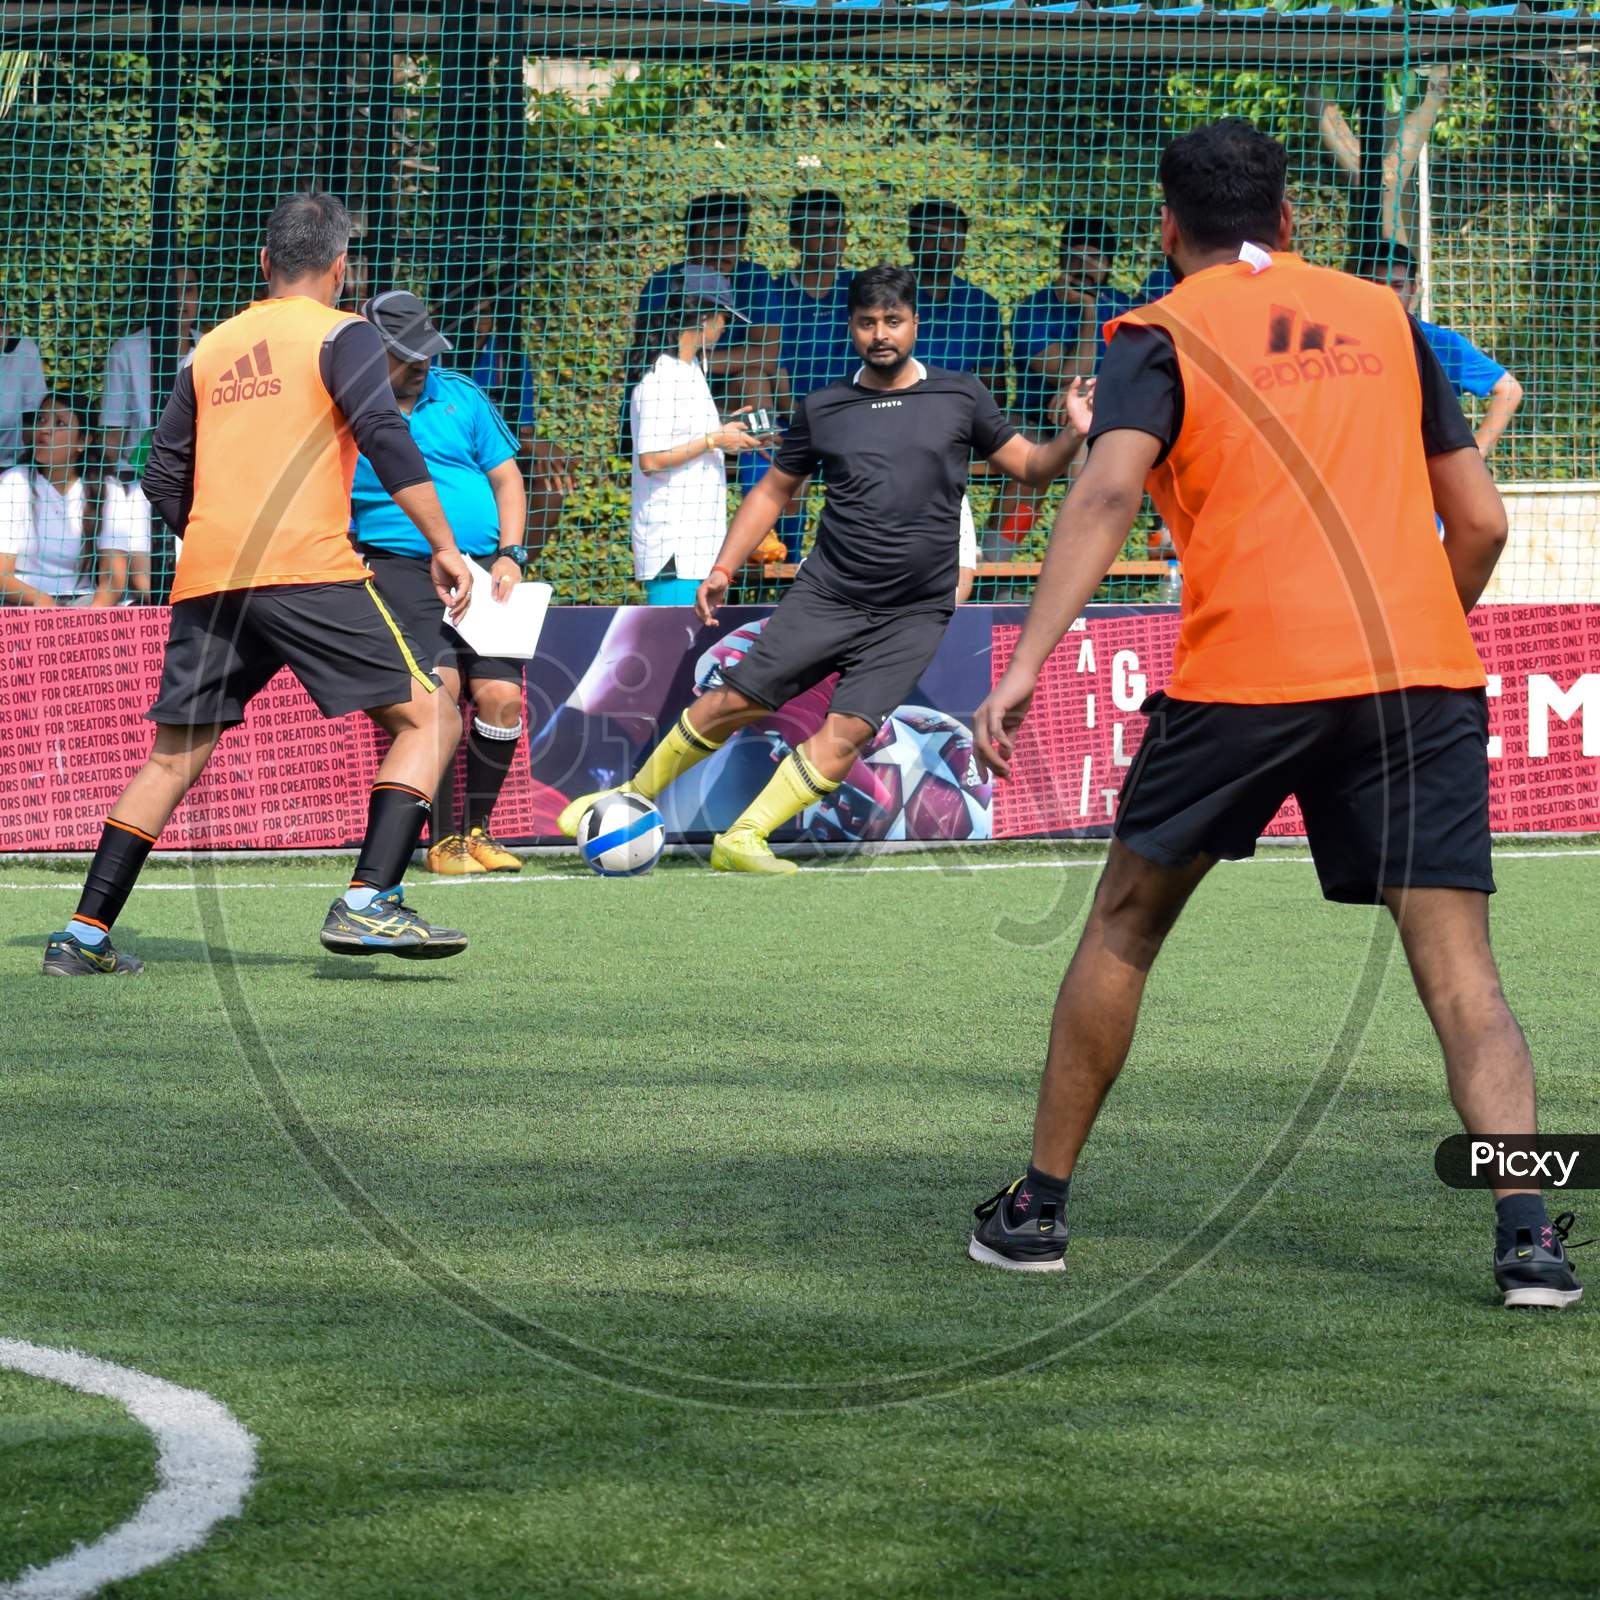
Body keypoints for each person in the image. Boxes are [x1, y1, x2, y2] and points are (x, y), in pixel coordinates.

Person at [966, 119, 1580, 1312]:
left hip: (1242, 677)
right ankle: (1529, 1239)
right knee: (1461, 973)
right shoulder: (1388, 322)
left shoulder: (1157, 331)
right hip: (1413, 677)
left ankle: (1035, 1212)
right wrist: (1409, 636)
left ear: (1165, 227)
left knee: (1123, 929)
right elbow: (1486, 524)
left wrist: (1027, 660)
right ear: (1288, 219)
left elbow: (1102, 490)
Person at [42, 192, 475, 977]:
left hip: (212, 577)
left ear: (265, 264)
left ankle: (82, 935)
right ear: (343, 268)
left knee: (172, 758)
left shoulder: (210, 348)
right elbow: (381, 433)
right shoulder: (344, 335)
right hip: (307, 568)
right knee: (433, 717)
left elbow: (161, 470)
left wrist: (216, 539)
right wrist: (442, 543)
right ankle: (370, 900)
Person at [556, 263, 1092, 874]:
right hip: (829, 593)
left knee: (851, 729)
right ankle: (627, 798)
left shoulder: (961, 394)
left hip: (915, 612)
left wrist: (1073, 434)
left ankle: (745, 838)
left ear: (915, 323)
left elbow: (1033, 468)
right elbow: (770, 493)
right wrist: (724, 568)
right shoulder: (824, 406)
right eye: (867, 323)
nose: (881, 333)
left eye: (893, 320)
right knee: (733, 700)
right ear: (851, 329)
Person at [351, 290, 534, 876]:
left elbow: (507, 479)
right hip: (400, 566)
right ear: (376, 351)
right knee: (440, 696)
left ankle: (478, 832)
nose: (422, 363)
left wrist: (511, 554)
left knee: (503, 700)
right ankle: (443, 841)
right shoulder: (346, 410)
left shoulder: (461, 395)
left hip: (485, 569)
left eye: (427, 350)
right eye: (408, 354)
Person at [627, 269, 769, 605]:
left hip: (700, 544)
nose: (724, 327)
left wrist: (727, 430)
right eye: (722, 317)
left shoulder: (691, 371)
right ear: (704, 318)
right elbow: (651, 459)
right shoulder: (660, 375)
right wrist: (714, 440)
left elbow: (691, 433)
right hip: (673, 548)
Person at [994, 217, 1133, 551]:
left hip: (1106, 420)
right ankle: (995, 567)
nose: (1084, 268)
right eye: (1076, 257)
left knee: (1089, 451)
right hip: (1038, 419)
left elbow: (1132, 376)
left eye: (1095, 259)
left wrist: (1088, 397)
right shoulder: (1035, 309)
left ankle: (1079, 553)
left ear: (1109, 267)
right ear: (1061, 258)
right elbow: (1062, 375)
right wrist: (1088, 314)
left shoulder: (1125, 308)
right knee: (1030, 471)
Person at [1359, 240, 1524, 459]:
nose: (1388, 295)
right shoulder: (1344, 339)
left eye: (1397, 286)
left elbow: (1510, 389)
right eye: (1377, 285)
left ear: (1413, 288)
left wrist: (1476, 454)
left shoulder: (1441, 343)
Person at [0, 393, 152, 607]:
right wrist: (44, 604)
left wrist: (87, 621)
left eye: (59, 423)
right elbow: (2, 576)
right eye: (41, 420)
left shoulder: (109, 489)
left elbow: (113, 580)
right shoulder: (12, 482)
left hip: (84, 603)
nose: (44, 429)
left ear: (83, 441)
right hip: (24, 605)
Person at [100, 263, 201, 472]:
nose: (180, 299)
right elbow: (113, 434)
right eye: (171, 290)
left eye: (188, 289)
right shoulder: (124, 352)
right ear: (152, 297)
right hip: (136, 476)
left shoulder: (212, 347)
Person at [904, 200, 1006, 399]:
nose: (943, 245)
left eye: (952, 236)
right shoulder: (886, 293)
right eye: (932, 234)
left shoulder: (982, 305)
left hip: (959, 416)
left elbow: (993, 383)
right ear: (911, 240)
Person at [0, 301, 48, 470]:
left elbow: (33, 417)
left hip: (11, 465)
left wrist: (28, 469)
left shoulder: (24, 352)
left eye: (1, 323)